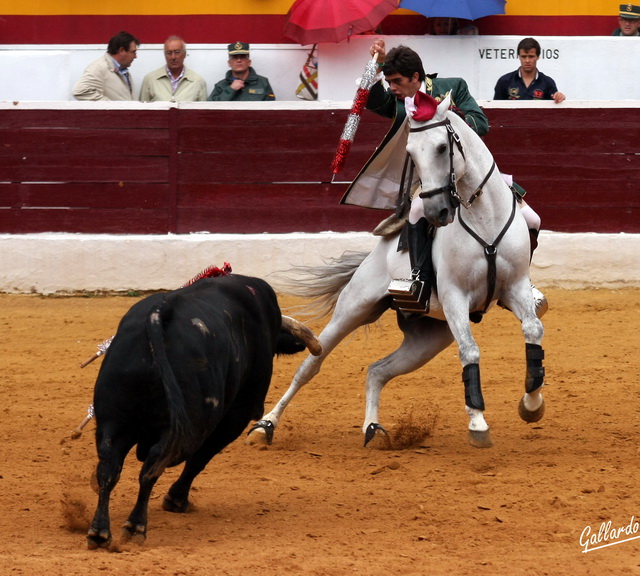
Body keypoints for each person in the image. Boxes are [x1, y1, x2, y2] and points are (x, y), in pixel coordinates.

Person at [341, 40, 546, 315]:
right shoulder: (399, 104)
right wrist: (376, 65)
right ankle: (419, 283)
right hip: (429, 181)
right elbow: (373, 99)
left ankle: (520, 286)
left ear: (416, 77)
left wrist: (446, 121)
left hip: (472, 176)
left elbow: (480, 122)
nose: (393, 88)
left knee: (533, 219)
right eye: (389, 82)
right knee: (416, 210)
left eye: (397, 81)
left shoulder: (453, 87)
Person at [493, 37, 565, 103]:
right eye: (524, 56)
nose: (527, 60)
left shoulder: (548, 83)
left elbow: (554, 112)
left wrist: (559, 97)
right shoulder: (504, 81)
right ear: (519, 57)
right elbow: (495, 111)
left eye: (531, 56)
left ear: (538, 57)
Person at [73, 31, 140, 101]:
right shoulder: (99, 68)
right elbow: (80, 91)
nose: (135, 56)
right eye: (133, 52)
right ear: (121, 50)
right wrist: (109, 107)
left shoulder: (122, 69)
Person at [139, 36, 207, 102]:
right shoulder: (150, 80)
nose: (173, 57)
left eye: (177, 52)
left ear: (184, 54)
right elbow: (141, 111)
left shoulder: (197, 82)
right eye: (169, 53)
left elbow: (203, 112)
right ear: (165, 55)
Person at [208, 42, 275, 101]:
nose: (239, 60)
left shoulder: (263, 82)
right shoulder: (221, 85)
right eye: (235, 57)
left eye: (243, 57)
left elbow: (271, 108)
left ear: (249, 62)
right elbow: (210, 108)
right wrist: (230, 90)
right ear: (229, 63)